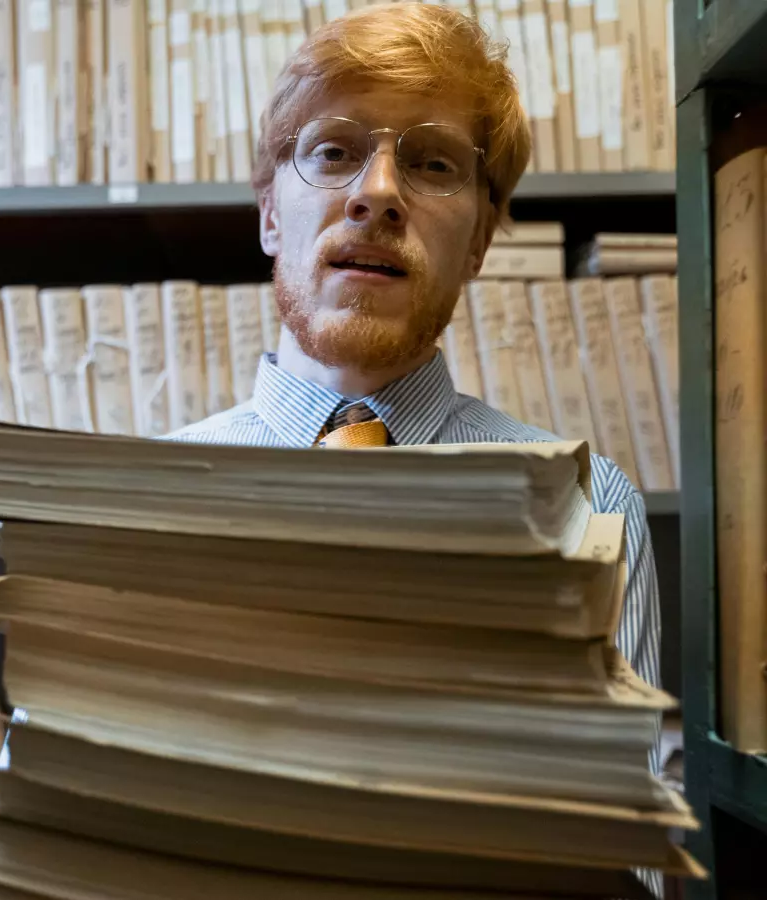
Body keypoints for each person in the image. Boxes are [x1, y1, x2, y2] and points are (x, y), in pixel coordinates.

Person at [170, 3, 660, 713]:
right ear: (270, 214)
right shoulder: (137, 510)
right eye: (334, 151)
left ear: (480, 243)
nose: (377, 194)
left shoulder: (587, 509)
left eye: (432, 163)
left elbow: (626, 814)